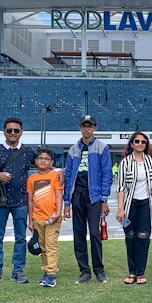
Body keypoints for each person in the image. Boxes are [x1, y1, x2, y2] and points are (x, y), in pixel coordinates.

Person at [0, 117, 38, 285]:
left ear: (21, 132)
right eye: (9, 130)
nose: (13, 133)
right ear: (4, 132)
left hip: (21, 201)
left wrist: (57, 171)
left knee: (20, 238)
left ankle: (18, 271)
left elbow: (43, 165)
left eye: (16, 130)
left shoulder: (28, 152)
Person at [64, 114, 113, 284]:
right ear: (80, 128)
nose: (86, 129)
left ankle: (99, 270)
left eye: (89, 126)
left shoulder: (102, 147)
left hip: (94, 196)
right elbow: (68, 175)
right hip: (77, 194)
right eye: (84, 126)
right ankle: (84, 271)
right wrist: (66, 203)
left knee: (94, 233)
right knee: (79, 234)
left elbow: (107, 173)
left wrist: (104, 199)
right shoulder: (73, 149)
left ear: (95, 128)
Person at [116, 132, 152, 285]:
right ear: (131, 143)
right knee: (130, 236)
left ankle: (141, 272)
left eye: (143, 142)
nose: (140, 144)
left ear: (146, 144)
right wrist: (120, 208)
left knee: (143, 237)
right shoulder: (125, 162)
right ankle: (132, 272)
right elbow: (120, 187)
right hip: (129, 205)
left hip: (146, 204)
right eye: (137, 141)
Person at [27, 147, 64, 288]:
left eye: (47, 159)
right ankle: (45, 270)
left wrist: (58, 213)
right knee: (42, 247)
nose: (43, 161)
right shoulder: (32, 179)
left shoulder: (56, 176)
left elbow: (59, 195)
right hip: (38, 218)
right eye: (40, 158)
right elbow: (30, 200)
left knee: (51, 246)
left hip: (52, 218)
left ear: (52, 162)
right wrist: (31, 220)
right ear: (36, 161)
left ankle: (51, 273)